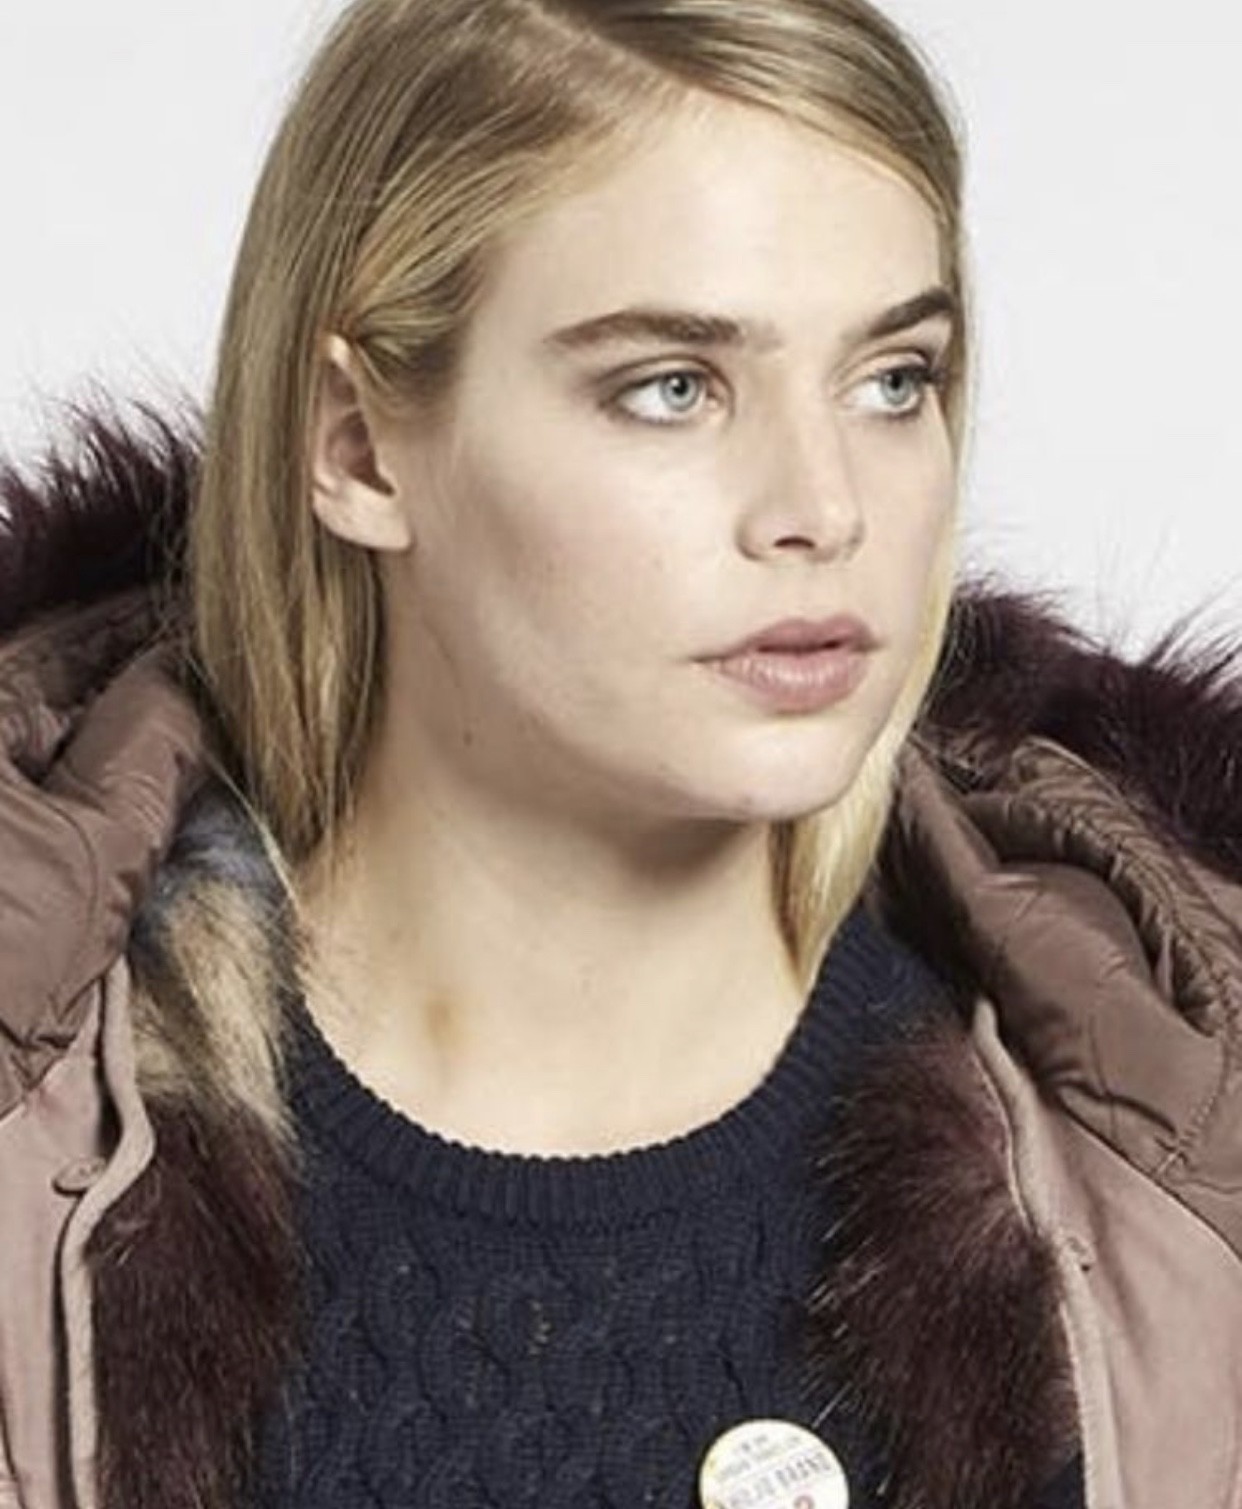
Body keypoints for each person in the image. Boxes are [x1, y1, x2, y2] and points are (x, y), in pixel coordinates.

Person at [1, 2, 1239, 1508]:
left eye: (892, 379)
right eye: (673, 386)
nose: (824, 508)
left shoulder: (1175, 1165)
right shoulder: (35, 1149)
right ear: (357, 446)